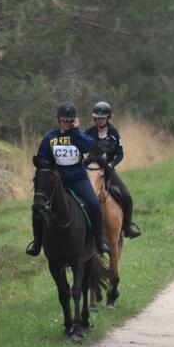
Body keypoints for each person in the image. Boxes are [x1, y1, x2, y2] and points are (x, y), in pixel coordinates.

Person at [26, 102, 111, 257]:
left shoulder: (79, 135)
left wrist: (76, 131)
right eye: (64, 120)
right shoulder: (50, 138)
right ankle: (37, 243)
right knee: (37, 207)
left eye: (70, 120)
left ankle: (99, 241)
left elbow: (89, 147)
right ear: (59, 119)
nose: (67, 123)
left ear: (74, 120)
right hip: (56, 181)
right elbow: (42, 158)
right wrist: (45, 165)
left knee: (93, 203)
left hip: (78, 179)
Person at [85, 101, 141, 239]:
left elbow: (120, 154)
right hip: (90, 171)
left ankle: (127, 227)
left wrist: (111, 164)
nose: (100, 120)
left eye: (103, 118)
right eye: (97, 118)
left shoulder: (114, 133)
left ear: (108, 118)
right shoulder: (88, 133)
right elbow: (80, 148)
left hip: (108, 171)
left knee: (126, 196)